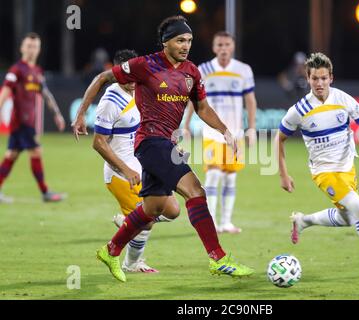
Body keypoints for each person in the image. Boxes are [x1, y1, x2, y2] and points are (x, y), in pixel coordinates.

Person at [72, 15, 254, 282]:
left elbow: (202, 108)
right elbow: (102, 77)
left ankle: (110, 251)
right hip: (149, 141)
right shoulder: (145, 65)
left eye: (189, 41)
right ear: (166, 42)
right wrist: (80, 114)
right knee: (195, 190)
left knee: (153, 208)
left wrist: (225, 130)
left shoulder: (192, 71)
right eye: (180, 40)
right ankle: (218, 257)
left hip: (167, 143)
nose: (186, 45)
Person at [277, 52, 359, 274]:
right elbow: (279, 139)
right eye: (315, 78)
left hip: (347, 168)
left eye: (324, 78)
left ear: (331, 78)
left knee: (349, 218)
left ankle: (303, 221)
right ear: (307, 78)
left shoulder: (343, 100)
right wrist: (283, 174)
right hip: (324, 172)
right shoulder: (298, 111)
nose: (319, 83)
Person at [93, 49, 176, 274]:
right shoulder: (110, 101)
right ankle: (132, 263)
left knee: (173, 211)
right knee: (147, 220)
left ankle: (128, 222)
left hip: (144, 165)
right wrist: (126, 170)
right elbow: (99, 143)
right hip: (120, 174)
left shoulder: (141, 90)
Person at [184, 31, 257, 234]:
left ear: (232, 46)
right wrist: (186, 124)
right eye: (220, 45)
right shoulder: (204, 69)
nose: (223, 48)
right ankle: (212, 222)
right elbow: (195, 99)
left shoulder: (243, 70)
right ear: (214, 48)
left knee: (230, 178)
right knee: (214, 175)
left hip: (235, 133)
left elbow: (250, 101)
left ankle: (226, 222)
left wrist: (251, 128)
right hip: (212, 132)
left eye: (227, 44)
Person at [0, 32, 66, 203]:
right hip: (22, 121)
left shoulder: (37, 71)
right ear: (22, 48)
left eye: (35, 46)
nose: (31, 49)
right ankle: (45, 192)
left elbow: (45, 94)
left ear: (39, 49)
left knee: (11, 155)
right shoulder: (17, 70)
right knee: (35, 151)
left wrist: (57, 114)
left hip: (24, 123)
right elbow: (5, 93)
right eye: (28, 46)